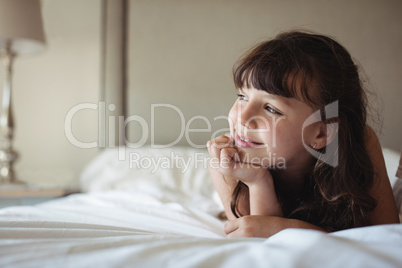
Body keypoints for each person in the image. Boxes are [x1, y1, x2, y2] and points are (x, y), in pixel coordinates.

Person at [206, 31, 400, 238]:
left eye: (271, 109)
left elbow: (386, 236)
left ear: (321, 133)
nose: (242, 118)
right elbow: (255, 240)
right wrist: (258, 182)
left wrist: (289, 228)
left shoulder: (359, 141)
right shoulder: (226, 163)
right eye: (242, 96)